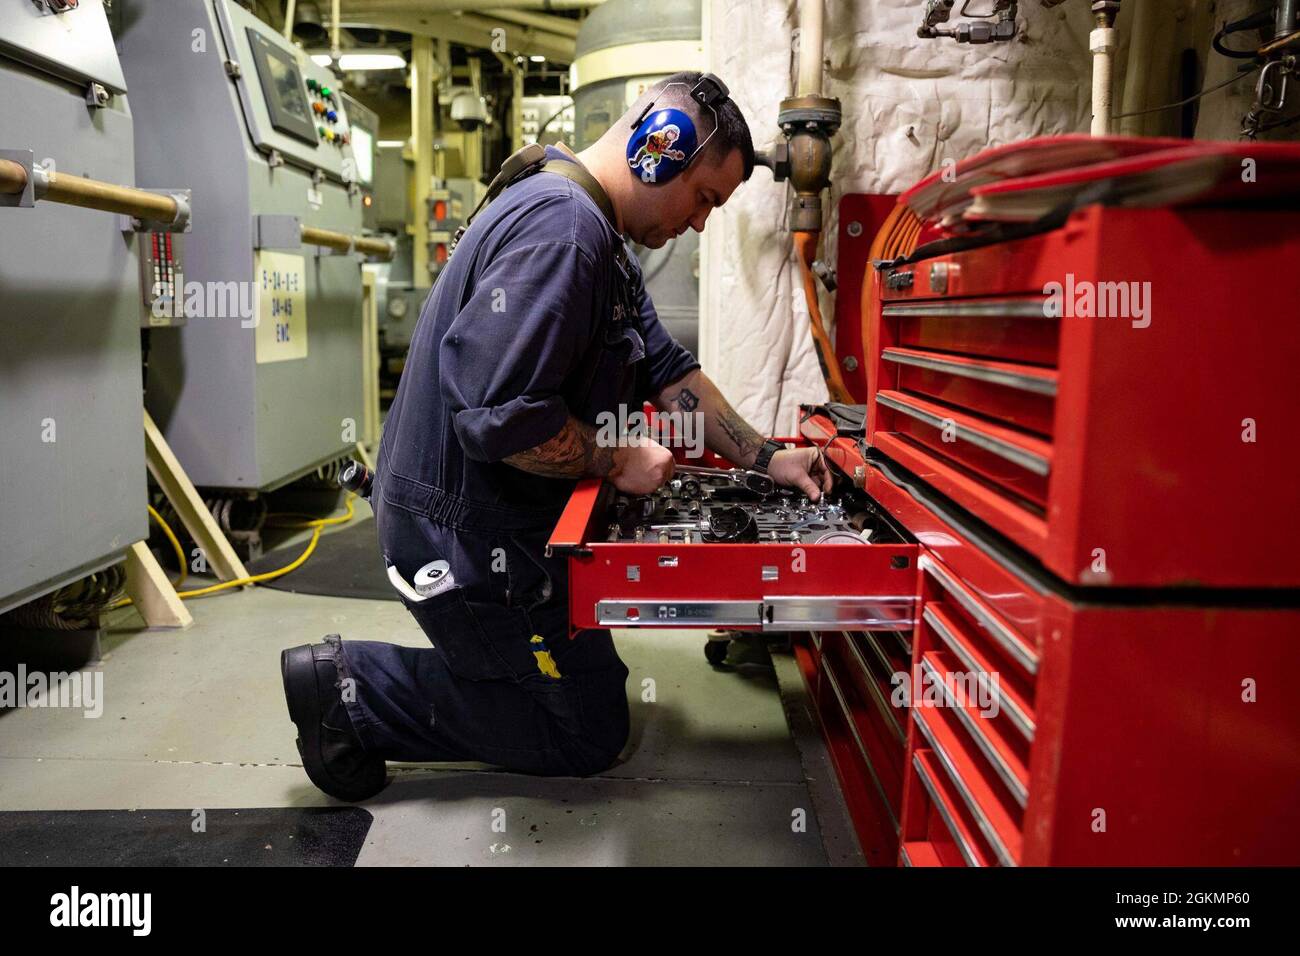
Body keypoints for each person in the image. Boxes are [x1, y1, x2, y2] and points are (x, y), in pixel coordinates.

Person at [280, 71, 831, 801]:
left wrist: (767, 456)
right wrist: (615, 460)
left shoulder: (595, 232)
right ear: (657, 151)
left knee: (593, 685)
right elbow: (499, 415)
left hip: (506, 521)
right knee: (585, 731)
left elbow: (669, 372)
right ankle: (348, 691)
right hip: (460, 538)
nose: (701, 224)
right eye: (703, 198)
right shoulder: (563, 231)